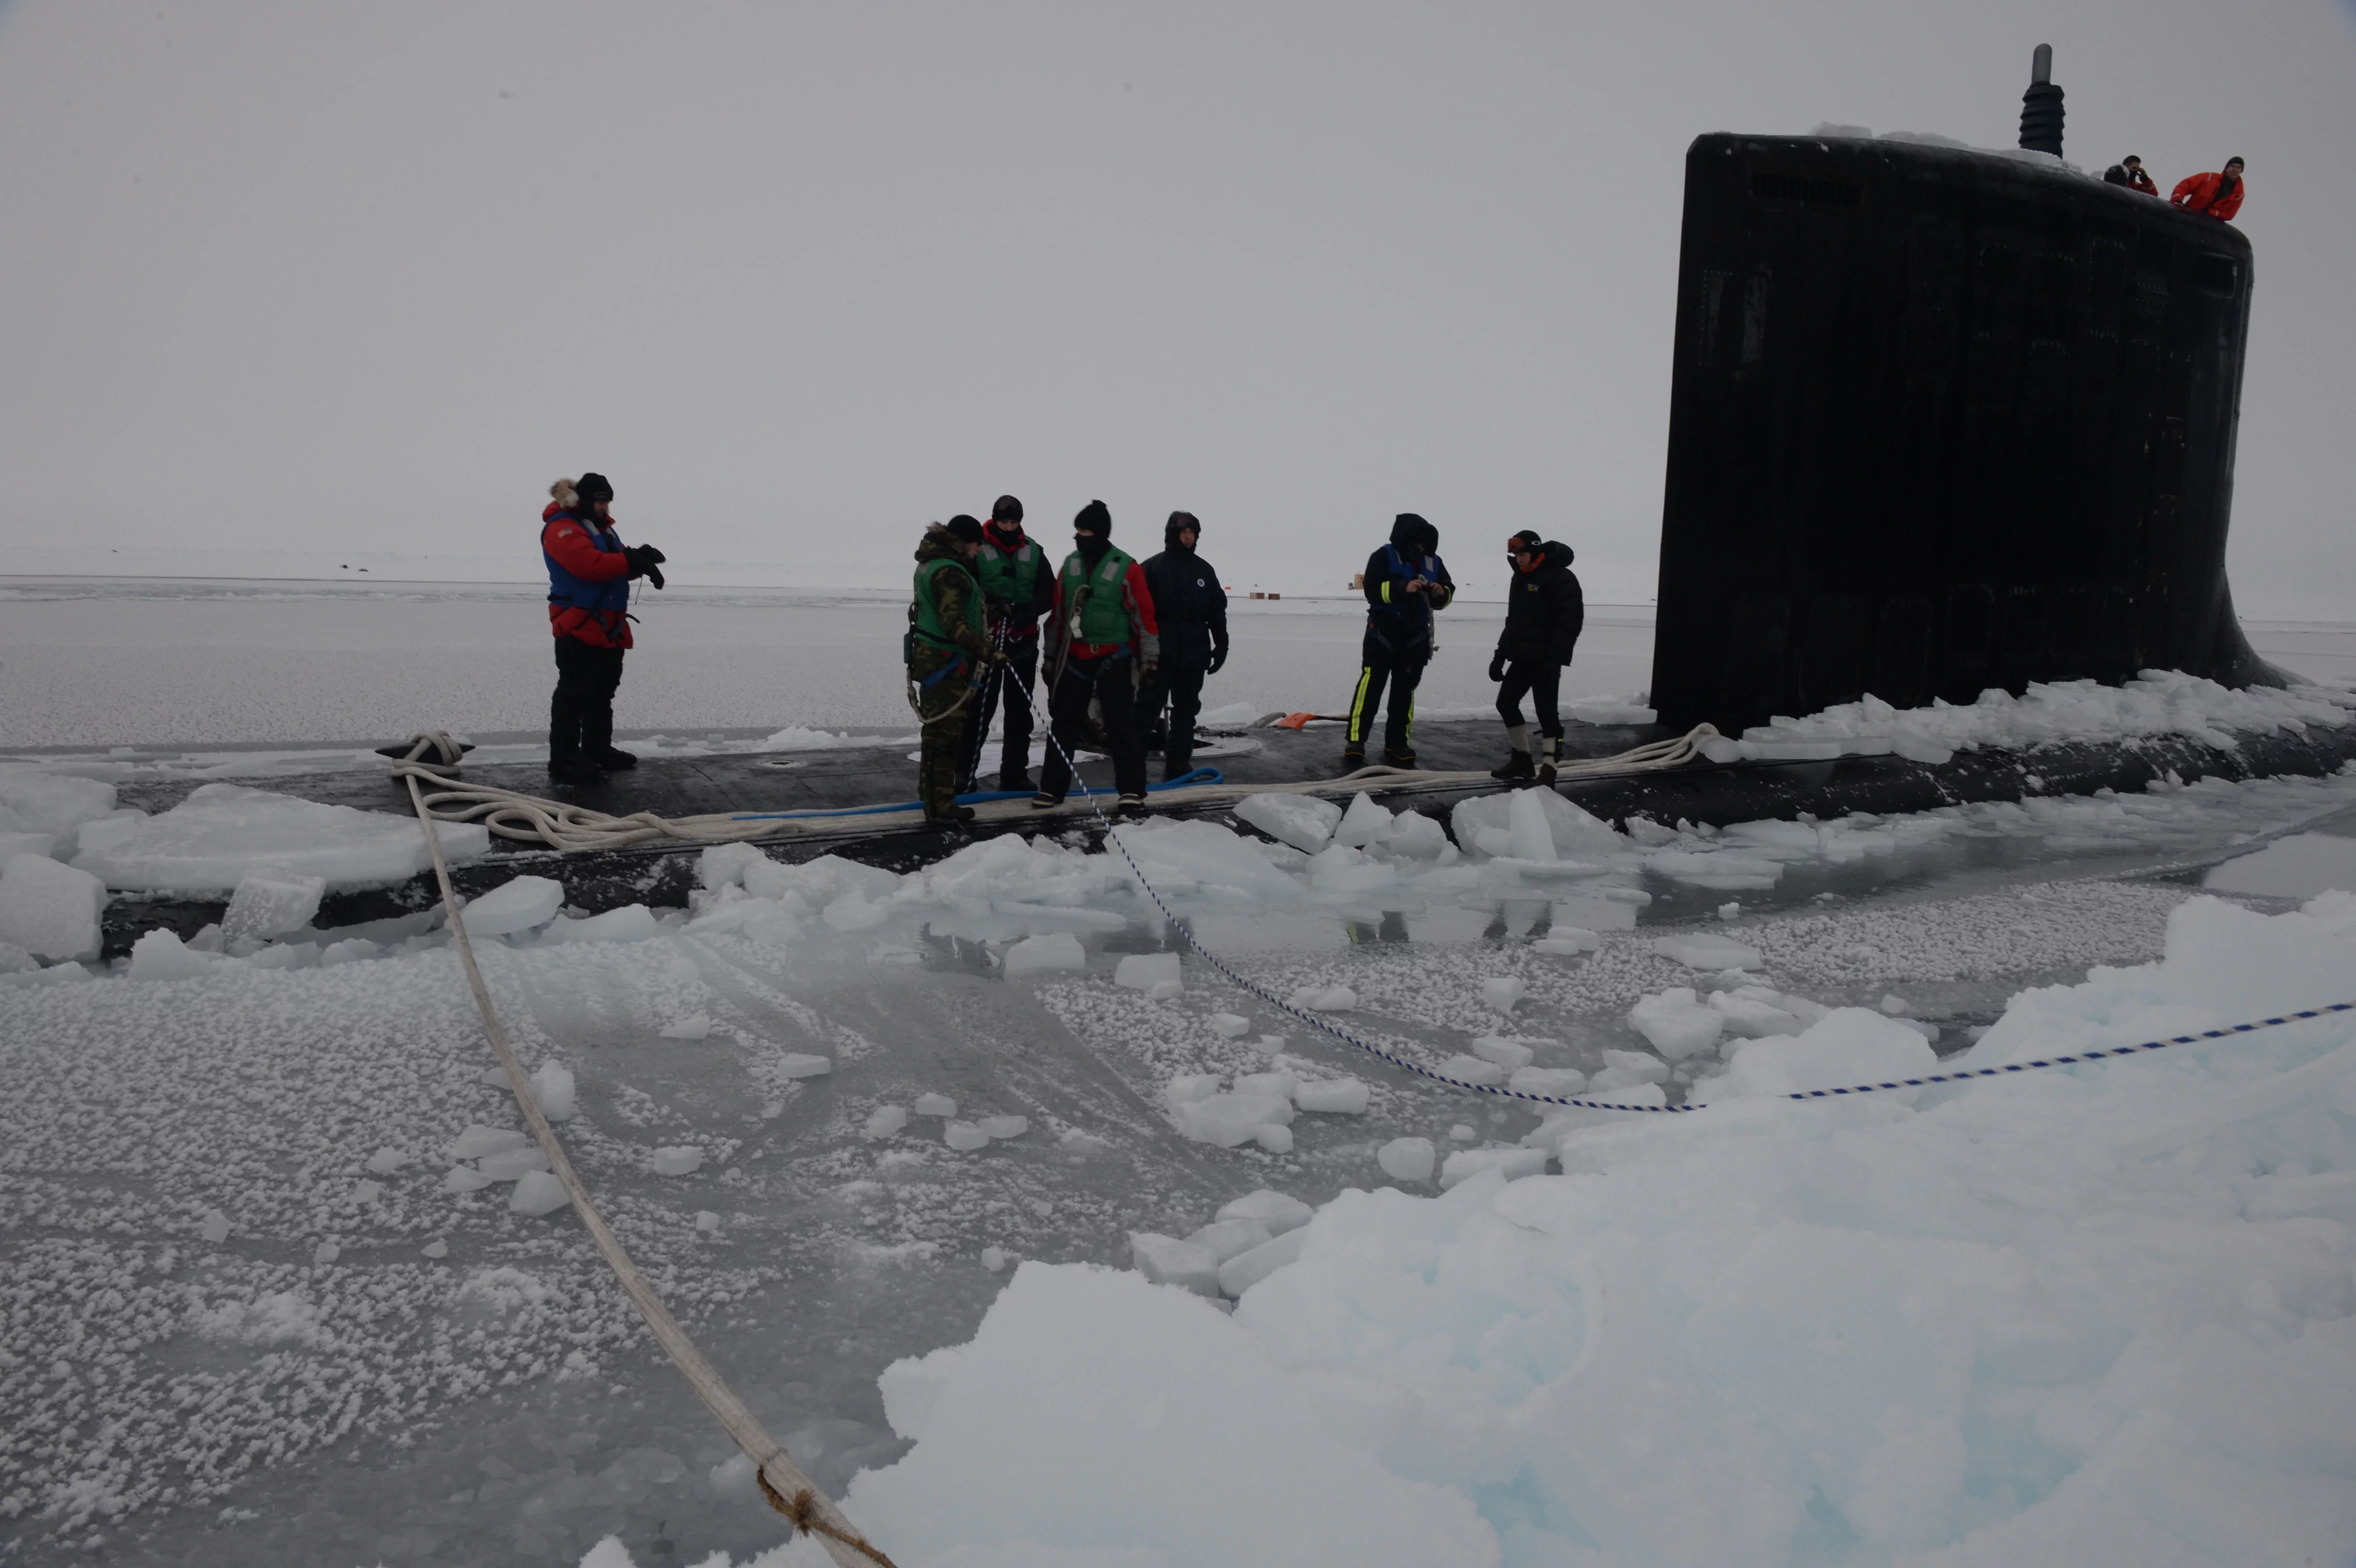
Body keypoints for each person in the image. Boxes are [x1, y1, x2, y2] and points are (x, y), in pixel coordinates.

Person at [1034, 499, 1157, 814]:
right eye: (1077, 531)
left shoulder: (1127, 568)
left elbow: (1144, 619)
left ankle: (1131, 790)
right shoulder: (1071, 566)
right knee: (1063, 725)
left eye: (1086, 531)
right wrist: (1050, 658)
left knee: (1121, 726)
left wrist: (1150, 660)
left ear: (1100, 534)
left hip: (1112, 659)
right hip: (1074, 660)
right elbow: (1059, 616)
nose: (1080, 538)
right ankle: (1051, 788)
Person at [541, 473, 664, 785]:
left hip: (609, 627)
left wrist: (640, 561)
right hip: (579, 624)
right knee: (574, 693)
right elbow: (590, 565)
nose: (604, 506)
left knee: (602, 692)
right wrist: (630, 560)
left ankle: (597, 749)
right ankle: (564, 760)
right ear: (580, 499)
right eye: (599, 500)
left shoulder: (603, 531)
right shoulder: (562, 528)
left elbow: (616, 566)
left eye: (607, 500)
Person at [1344, 513, 1454, 770]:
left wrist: (1440, 593)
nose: (1421, 546)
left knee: (1405, 693)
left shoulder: (1434, 562)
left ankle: (1397, 743)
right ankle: (1356, 740)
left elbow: (1448, 593)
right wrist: (1403, 588)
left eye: (1425, 542)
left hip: (1415, 638)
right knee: (1370, 688)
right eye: (1417, 540)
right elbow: (1372, 591)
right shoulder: (1383, 557)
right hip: (1383, 635)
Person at [905, 515, 996, 827]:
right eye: (977, 544)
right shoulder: (949, 572)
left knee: (935, 734)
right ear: (964, 542)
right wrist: (988, 652)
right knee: (945, 737)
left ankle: (931, 796)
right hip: (947, 665)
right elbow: (954, 623)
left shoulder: (930, 564)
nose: (980, 551)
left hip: (933, 661)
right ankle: (941, 804)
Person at [963, 494, 1057, 793]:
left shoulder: (1034, 550)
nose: (1008, 525)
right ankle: (963, 775)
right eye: (1003, 520)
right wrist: (993, 608)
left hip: (1022, 642)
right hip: (988, 644)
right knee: (979, 710)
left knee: (1019, 714)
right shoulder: (977, 548)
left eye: (1013, 521)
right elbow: (968, 589)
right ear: (994, 519)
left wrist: (1028, 611)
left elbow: (1048, 589)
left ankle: (1014, 774)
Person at [1135, 511, 1230, 781]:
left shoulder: (1204, 571)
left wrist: (1221, 644)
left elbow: (1216, 610)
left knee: (1186, 712)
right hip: (1159, 654)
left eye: (1193, 534)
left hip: (1193, 654)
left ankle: (1179, 765)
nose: (1189, 538)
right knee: (1146, 710)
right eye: (1184, 533)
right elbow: (1137, 612)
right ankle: (1133, 766)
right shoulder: (1152, 568)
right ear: (1173, 534)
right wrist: (1139, 651)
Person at [1487, 530, 1584, 784]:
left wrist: (1556, 655)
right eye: (1516, 555)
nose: (1518, 559)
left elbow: (1571, 619)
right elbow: (1514, 622)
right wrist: (1500, 655)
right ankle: (1522, 761)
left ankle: (1549, 769)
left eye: (1522, 554)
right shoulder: (1520, 578)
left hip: (1546, 658)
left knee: (1546, 712)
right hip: (1522, 657)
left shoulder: (1560, 577)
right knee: (1506, 704)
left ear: (1535, 552)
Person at [2171, 157, 2246, 221]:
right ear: (2227, 168)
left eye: (2238, 168)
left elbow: (2229, 214)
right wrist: (2177, 200)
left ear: (2241, 171)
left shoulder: (2239, 195)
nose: (2235, 169)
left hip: (2208, 225)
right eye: (2233, 166)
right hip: (2189, 215)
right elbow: (2186, 185)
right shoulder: (2209, 178)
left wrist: (2210, 212)